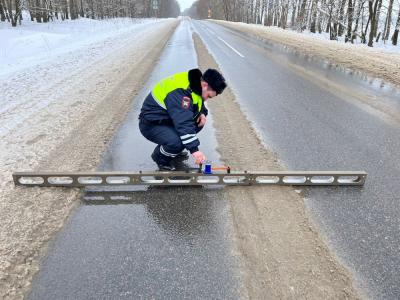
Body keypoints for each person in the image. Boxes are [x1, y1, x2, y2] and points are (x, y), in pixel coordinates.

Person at [139, 68, 227, 170]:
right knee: (177, 142)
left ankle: (174, 150)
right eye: (209, 96)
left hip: (167, 119)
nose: (207, 99)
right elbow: (184, 123)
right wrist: (195, 151)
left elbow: (197, 101)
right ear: (205, 85)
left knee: (196, 125)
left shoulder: (196, 84)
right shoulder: (182, 93)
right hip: (151, 123)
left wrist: (202, 113)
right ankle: (160, 158)